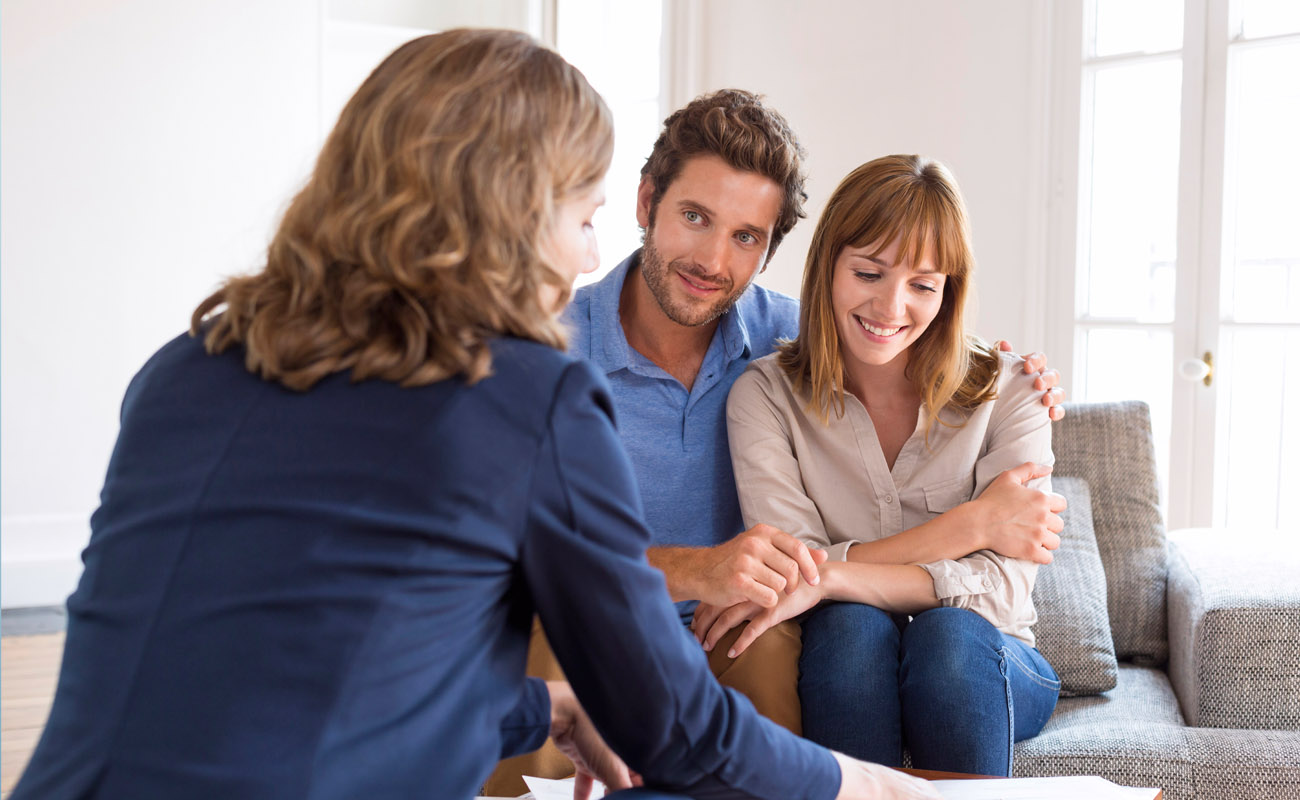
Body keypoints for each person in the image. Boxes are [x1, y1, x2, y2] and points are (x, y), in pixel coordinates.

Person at [9, 31, 941, 800]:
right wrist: (887, 789)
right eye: (582, 213)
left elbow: (273, 674)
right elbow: (673, 730)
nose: (585, 255)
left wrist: (542, 714)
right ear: (506, 213)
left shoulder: (180, 372)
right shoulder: (531, 394)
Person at [489, 90, 1067, 793]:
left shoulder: (793, 339)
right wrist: (698, 568)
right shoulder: (541, 350)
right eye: (694, 217)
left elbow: (898, 323)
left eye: (746, 237)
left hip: (742, 622)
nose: (711, 258)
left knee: (843, 654)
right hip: (588, 611)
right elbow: (500, 550)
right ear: (646, 204)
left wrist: (1015, 372)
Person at [698, 154, 1064, 777]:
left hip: (988, 655)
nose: (892, 306)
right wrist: (971, 527)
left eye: (923, 285)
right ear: (829, 269)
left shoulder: (1015, 390)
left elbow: (999, 594)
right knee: (849, 631)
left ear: (949, 291)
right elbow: (793, 569)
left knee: (945, 635)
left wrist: (833, 575)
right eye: (869, 272)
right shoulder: (764, 395)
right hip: (849, 652)